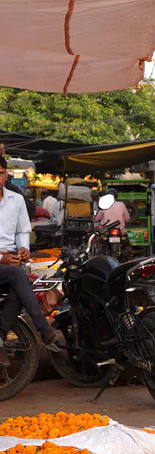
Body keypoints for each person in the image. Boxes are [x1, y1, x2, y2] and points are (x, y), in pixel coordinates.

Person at [0, 157, 66, 368]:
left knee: (22, 286)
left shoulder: (16, 200)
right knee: (19, 276)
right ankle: (42, 328)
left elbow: (22, 231)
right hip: (4, 262)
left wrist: (24, 249)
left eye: (0, 173)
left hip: (10, 262)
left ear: (6, 174)